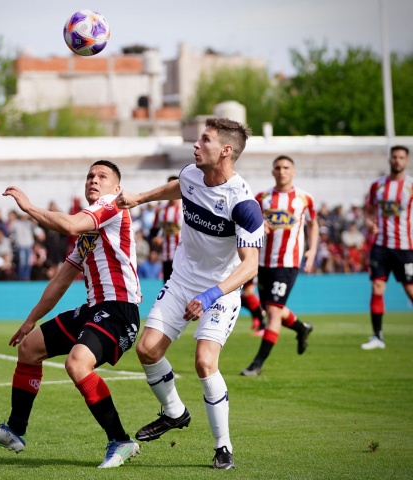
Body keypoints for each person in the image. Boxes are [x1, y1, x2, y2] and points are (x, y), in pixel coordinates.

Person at [0, 160, 142, 469]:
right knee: (29, 348)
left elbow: (69, 224)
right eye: (90, 175)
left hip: (119, 309)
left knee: (76, 363)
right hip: (95, 309)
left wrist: (29, 208)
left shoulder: (113, 204)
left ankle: (121, 440)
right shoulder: (88, 231)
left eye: (102, 176)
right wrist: (30, 320)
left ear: (116, 188)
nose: (93, 179)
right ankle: (15, 431)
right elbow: (62, 279)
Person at [116, 118, 264, 470]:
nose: (196, 145)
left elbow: (250, 266)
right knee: (147, 349)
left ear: (226, 151)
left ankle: (223, 446)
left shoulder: (245, 204)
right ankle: (174, 413)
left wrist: (212, 294)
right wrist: (138, 198)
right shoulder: (190, 174)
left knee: (204, 361)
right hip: (182, 280)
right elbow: (177, 187)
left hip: (221, 290)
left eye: (205, 140)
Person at [240, 155, 318, 376]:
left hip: (288, 263)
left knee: (273, 311)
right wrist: (258, 226)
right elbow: (247, 223)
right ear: (272, 171)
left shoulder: (304, 198)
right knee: (273, 308)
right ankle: (302, 328)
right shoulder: (261, 198)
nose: (282, 171)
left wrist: (311, 251)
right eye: (278, 168)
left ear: (293, 171)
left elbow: (313, 224)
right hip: (263, 262)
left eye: (286, 167)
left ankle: (257, 363)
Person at [361, 145, 413, 350]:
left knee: (410, 289)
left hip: (405, 246)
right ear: (389, 159)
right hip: (381, 245)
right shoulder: (378, 185)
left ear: (406, 161)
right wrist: (368, 221)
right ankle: (377, 337)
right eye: (394, 157)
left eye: (401, 157)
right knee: (377, 287)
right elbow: (368, 210)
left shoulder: (410, 185)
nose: (397, 160)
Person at [149, 176, 182, 282]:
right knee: (168, 286)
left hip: (183, 256)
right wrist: (155, 241)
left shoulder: (186, 207)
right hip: (166, 255)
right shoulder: (160, 209)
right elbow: (153, 231)